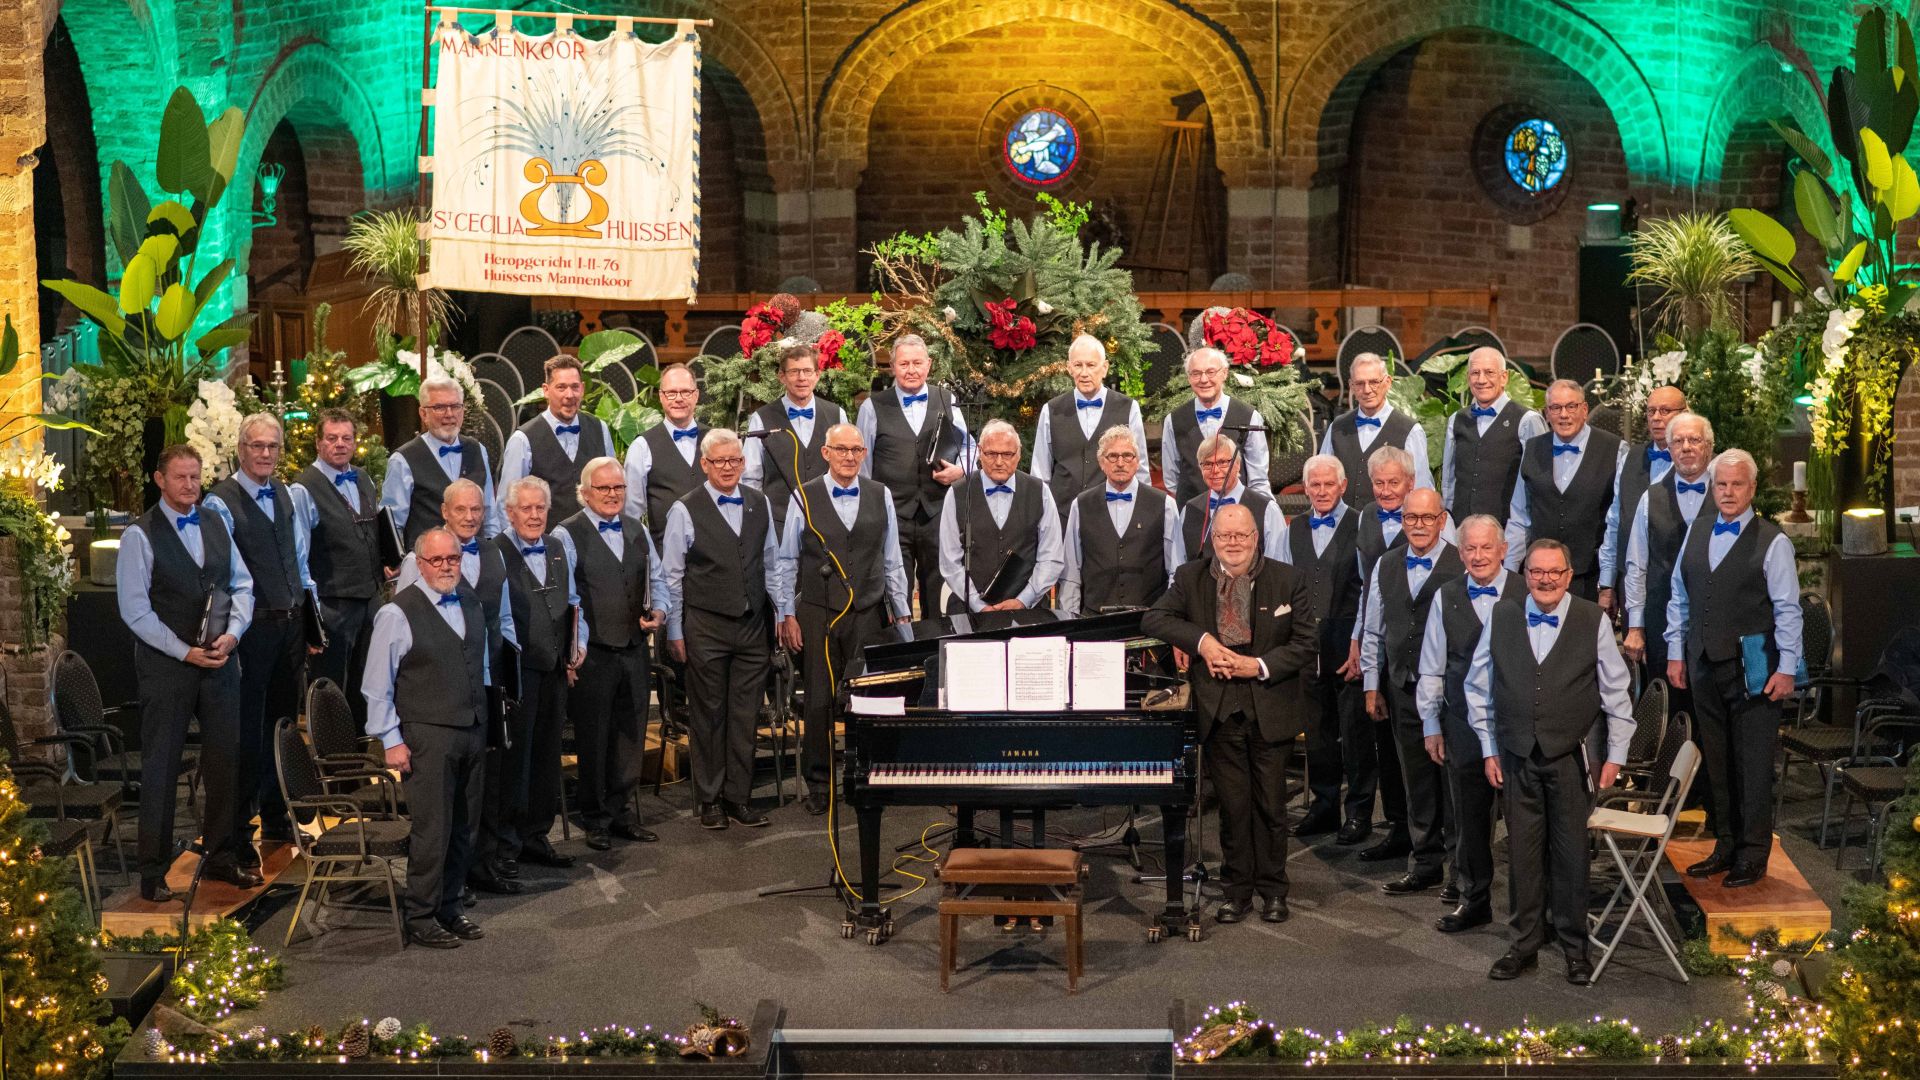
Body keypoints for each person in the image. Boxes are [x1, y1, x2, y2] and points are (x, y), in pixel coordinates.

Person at [1466, 539, 1635, 985]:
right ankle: (1523, 944)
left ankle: (1576, 948)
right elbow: (1478, 687)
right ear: (1525, 574)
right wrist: (1488, 748)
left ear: (1567, 574)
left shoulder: (1591, 619)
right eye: (1537, 572)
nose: (1545, 579)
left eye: (1554, 572)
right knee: (1521, 855)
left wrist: (1615, 757)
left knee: (1572, 857)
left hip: (1571, 759)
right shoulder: (1501, 615)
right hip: (1516, 756)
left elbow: (1617, 693)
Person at [1143, 504, 1318, 925]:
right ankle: (1236, 892)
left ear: (1255, 537)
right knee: (1233, 808)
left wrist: (1256, 666)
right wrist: (1202, 641)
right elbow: (1155, 617)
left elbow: (1306, 641)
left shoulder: (1287, 579)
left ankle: (1274, 891)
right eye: (1225, 536)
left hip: (1270, 707)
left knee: (1272, 807)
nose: (1233, 543)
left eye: (1241, 536)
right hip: (1219, 711)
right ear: (1214, 540)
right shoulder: (1190, 577)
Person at [116, 444, 256, 900]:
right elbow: (135, 612)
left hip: (219, 662)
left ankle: (221, 857)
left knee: (225, 762)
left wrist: (233, 633)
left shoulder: (215, 521)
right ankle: (153, 872)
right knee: (161, 766)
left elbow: (242, 584)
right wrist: (184, 652)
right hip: (167, 668)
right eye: (180, 478)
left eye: (196, 477)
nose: (190, 486)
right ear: (160, 480)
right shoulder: (140, 535)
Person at [1665, 449, 1801, 888]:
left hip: (1756, 670)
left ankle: (1753, 852)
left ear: (1752, 488)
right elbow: (1680, 597)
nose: (1727, 492)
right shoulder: (1697, 531)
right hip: (1703, 662)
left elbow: (1788, 610)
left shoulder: (1773, 541)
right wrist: (1676, 651)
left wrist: (1787, 669)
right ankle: (1725, 844)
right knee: (1717, 761)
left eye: (1736, 484)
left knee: (1753, 763)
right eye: (1720, 484)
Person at [773, 424, 914, 815]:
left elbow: (891, 558)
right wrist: (787, 613)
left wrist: (900, 610)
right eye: (841, 449)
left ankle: (865, 772)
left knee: (867, 697)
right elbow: (785, 560)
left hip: (867, 609)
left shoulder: (880, 494)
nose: (850, 456)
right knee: (818, 698)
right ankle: (819, 783)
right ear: (825, 453)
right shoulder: (803, 496)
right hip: (817, 611)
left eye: (856, 450)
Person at [362, 527, 490, 948]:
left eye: (452, 558)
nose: (446, 566)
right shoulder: (397, 613)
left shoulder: (468, 598)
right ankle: (420, 914)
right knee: (433, 830)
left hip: (470, 729)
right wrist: (391, 740)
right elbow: (376, 685)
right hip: (427, 735)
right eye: (436, 560)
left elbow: (476, 661)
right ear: (419, 562)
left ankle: (450, 907)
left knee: (464, 829)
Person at [204, 413, 313, 862]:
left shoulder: (288, 495)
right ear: (240, 449)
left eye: (272, 446)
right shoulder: (220, 503)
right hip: (250, 631)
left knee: (282, 726)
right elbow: (222, 578)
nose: (265, 454)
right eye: (257, 446)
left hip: (289, 625)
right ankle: (235, 834)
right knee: (245, 732)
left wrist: (311, 620)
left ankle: (275, 816)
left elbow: (300, 563)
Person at [662, 429, 782, 830]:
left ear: (743, 463)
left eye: (735, 461)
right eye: (719, 462)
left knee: (745, 716)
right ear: (705, 465)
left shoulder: (759, 503)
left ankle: (738, 798)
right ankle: (710, 799)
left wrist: (782, 614)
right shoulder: (684, 509)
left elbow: (773, 564)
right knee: (709, 714)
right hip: (705, 625)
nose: (728, 468)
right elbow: (672, 577)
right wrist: (675, 631)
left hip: (751, 626)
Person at [556, 456, 668, 850]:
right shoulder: (567, 535)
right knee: (594, 737)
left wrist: (660, 611)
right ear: (584, 493)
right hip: (595, 653)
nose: (612, 494)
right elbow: (567, 598)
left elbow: (656, 579)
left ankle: (621, 814)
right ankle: (595, 818)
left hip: (634, 650)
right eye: (603, 488)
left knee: (630, 735)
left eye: (618, 487)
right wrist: (575, 648)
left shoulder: (636, 529)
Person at [1415, 514, 1518, 934]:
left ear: (1503, 549)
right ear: (1460, 553)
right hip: (1461, 721)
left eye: (1485, 547)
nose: (1477, 556)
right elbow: (1432, 666)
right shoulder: (1447, 595)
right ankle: (1473, 899)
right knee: (1469, 818)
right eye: (1470, 548)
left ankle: (1532, 907)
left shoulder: (1526, 589)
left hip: (1515, 724)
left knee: (1522, 820)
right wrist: (1430, 723)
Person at [1358, 487, 1461, 894]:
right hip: (1402, 687)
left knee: (1453, 784)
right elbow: (1373, 628)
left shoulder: (1461, 563)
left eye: (1427, 518)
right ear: (1403, 521)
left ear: (1441, 520)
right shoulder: (1386, 564)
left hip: (1451, 694)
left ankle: (1461, 871)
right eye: (1411, 518)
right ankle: (1425, 862)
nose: (1419, 525)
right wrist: (1372, 683)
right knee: (1415, 778)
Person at [487, 477, 588, 876]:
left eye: (540, 508)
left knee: (547, 757)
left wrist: (577, 645)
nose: (533, 515)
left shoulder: (559, 547)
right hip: (518, 674)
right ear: (510, 513)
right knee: (517, 761)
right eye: (525, 508)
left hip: (555, 670)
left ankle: (536, 835)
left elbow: (573, 603)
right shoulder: (496, 552)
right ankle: (507, 843)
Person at [1278, 455, 1373, 844]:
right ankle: (1324, 806)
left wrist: (1362, 643)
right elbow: (1284, 584)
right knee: (1317, 731)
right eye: (1313, 485)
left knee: (1354, 732)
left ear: (1343, 485)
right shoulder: (1293, 528)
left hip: (1347, 638)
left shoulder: (1360, 524)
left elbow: (1371, 588)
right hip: (1306, 642)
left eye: (1328, 485)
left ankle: (1360, 812)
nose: (1320, 492)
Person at [857, 334, 971, 617]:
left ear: (929, 365)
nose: (911, 370)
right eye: (904, 363)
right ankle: (902, 653)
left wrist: (962, 469)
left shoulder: (948, 399)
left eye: (917, 363)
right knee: (896, 587)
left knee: (938, 583)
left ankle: (935, 653)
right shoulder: (873, 406)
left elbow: (969, 446)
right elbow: (862, 462)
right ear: (892, 366)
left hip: (937, 511)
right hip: (893, 513)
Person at [621, 363, 703, 732]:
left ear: (696, 395)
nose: (679, 399)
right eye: (671, 393)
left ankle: (704, 709)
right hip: (664, 559)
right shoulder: (644, 445)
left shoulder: (715, 442)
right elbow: (632, 512)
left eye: (685, 392)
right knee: (674, 632)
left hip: (712, 558)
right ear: (660, 397)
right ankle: (675, 712)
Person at [1622, 410, 1716, 718]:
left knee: (1711, 709)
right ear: (1670, 449)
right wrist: (1635, 626)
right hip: (1661, 618)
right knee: (1668, 710)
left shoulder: (1728, 493)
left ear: (1709, 447)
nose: (1686, 447)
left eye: (1694, 440)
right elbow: (1636, 565)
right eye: (1678, 441)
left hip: (1714, 619)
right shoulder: (1651, 498)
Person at [293, 409, 385, 707]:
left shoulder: (363, 479)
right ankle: (331, 753)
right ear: (318, 442)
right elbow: (300, 556)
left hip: (369, 598)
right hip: (333, 604)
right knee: (331, 688)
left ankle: (361, 751)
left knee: (367, 683)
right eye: (332, 438)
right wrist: (312, 616)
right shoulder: (304, 488)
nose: (340, 444)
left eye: (346, 438)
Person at [1502, 379, 1626, 601]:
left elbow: (1616, 522)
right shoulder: (1531, 448)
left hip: (1589, 577)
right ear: (1547, 413)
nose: (1564, 414)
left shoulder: (1615, 449)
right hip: (1540, 576)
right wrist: (1510, 574)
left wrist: (1607, 583)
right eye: (1556, 408)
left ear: (1585, 409)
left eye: (1571, 406)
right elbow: (1520, 517)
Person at [937, 419, 1063, 613]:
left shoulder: (1040, 492)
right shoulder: (958, 493)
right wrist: (978, 605)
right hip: (969, 611)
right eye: (991, 454)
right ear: (980, 452)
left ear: (1018, 454)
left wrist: (1024, 600)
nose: (998, 461)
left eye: (1007, 454)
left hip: (1029, 611)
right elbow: (949, 561)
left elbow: (1051, 557)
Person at [1058, 425, 1179, 617]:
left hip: (1150, 618)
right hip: (1094, 620)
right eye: (1112, 456)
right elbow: (1071, 573)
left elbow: (1176, 571)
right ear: (1101, 462)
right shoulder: (1080, 505)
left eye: (1127, 456)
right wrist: (1070, 620)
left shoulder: (1165, 505)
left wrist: (1170, 617)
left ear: (1137, 461)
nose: (1120, 463)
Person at [1032, 334, 1149, 517]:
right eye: (1078, 365)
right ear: (1069, 368)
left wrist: (1142, 511)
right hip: (1062, 514)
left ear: (1105, 368)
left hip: (1112, 513)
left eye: (1091, 365)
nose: (1084, 373)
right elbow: (1040, 473)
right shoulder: (1052, 410)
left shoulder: (1128, 407)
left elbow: (1140, 467)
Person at [381, 375, 502, 549]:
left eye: (455, 406)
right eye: (439, 407)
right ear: (423, 413)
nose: (449, 414)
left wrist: (493, 551)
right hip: (429, 564)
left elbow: (489, 512)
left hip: (476, 560)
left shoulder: (477, 450)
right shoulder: (403, 459)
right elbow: (393, 523)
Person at [747, 341, 847, 541]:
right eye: (794, 372)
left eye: (807, 371)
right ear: (782, 376)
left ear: (817, 375)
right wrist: (759, 517)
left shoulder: (837, 415)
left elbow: (848, 468)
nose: (801, 378)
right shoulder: (761, 418)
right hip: (778, 523)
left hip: (827, 520)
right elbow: (751, 476)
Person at [499, 355, 614, 524]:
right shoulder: (523, 439)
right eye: (561, 387)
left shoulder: (600, 429)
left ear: (582, 389)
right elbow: (506, 504)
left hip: (594, 540)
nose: (569, 395)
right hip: (546, 544)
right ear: (546, 390)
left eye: (575, 387)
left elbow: (612, 487)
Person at [1604, 385, 1686, 614]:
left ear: (1685, 413)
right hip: (1631, 583)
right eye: (1651, 412)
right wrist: (1606, 583)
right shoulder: (1630, 458)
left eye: (1665, 410)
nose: (1657, 418)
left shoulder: (1698, 464)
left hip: (1678, 584)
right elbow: (1614, 522)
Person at [1441, 347, 1545, 524]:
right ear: (1468, 378)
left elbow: (1538, 483)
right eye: (1475, 373)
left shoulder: (1527, 420)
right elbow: (1448, 481)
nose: (1481, 380)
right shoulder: (1456, 420)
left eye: (1489, 372)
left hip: (1506, 531)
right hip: (1461, 528)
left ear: (1504, 377)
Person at [1321, 353, 1434, 507]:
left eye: (1374, 382)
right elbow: (1322, 478)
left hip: (1390, 527)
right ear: (1351, 386)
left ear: (1387, 382)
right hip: (1343, 526)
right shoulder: (1337, 427)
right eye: (1360, 383)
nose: (1367, 390)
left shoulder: (1410, 431)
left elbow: (1421, 488)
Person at [1160, 346, 1269, 506]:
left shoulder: (1249, 416)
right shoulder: (1174, 420)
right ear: (1188, 378)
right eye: (1196, 373)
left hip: (1237, 514)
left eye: (1211, 372)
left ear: (1224, 373)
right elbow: (1171, 478)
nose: (1204, 380)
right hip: (1192, 514)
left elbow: (1258, 478)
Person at [1177, 433, 1286, 564]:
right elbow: (1177, 569)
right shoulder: (1189, 511)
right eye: (1207, 464)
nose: (1215, 470)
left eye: (1222, 462)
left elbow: (1279, 568)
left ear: (1238, 465)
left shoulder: (1268, 510)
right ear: (1200, 469)